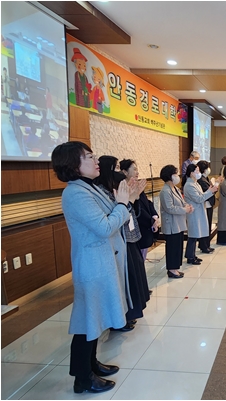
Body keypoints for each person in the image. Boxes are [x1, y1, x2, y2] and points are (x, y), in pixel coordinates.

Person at [51, 141, 140, 393]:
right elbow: (104, 226)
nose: (96, 161)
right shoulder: (76, 193)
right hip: (92, 265)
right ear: (73, 165)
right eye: (89, 157)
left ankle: (90, 364)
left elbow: (114, 213)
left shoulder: (88, 187)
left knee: (93, 319)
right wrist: (122, 204)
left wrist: (128, 199)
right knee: (87, 322)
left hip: (101, 262)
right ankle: (83, 377)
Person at [94, 156, 149, 332]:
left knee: (133, 276)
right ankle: (121, 318)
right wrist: (130, 199)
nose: (119, 171)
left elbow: (129, 212)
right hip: (118, 241)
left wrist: (134, 197)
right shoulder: (101, 191)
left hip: (129, 238)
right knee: (124, 280)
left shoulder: (116, 186)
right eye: (116, 167)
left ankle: (129, 314)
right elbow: (117, 214)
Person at [120, 160, 159, 263]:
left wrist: (154, 216)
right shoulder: (123, 189)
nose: (137, 172)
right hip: (138, 228)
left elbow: (148, 203)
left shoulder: (137, 185)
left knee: (142, 257)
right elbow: (136, 210)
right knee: (137, 260)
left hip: (147, 228)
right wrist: (151, 221)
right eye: (134, 169)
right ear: (125, 172)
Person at [159, 165, 192, 278]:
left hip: (179, 222)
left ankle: (176, 268)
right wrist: (184, 210)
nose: (177, 176)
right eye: (175, 174)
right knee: (172, 247)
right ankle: (172, 270)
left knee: (178, 246)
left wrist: (187, 206)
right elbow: (169, 208)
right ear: (169, 176)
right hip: (171, 224)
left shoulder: (176, 189)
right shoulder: (165, 191)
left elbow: (182, 202)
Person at [183, 163, 218, 264]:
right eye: (197, 171)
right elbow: (199, 198)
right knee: (193, 235)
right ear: (191, 173)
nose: (199, 173)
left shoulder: (195, 183)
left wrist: (209, 191)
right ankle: (190, 257)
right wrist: (210, 191)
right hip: (193, 212)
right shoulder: (189, 185)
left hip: (198, 211)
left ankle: (192, 255)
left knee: (195, 234)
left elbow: (201, 195)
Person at [196, 160, 215, 254]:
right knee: (205, 226)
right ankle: (204, 245)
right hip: (205, 205)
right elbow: (208, 191)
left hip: (209, 204)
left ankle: (206, 244)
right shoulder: (201, 180)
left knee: (208, 225)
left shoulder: (205, 178)